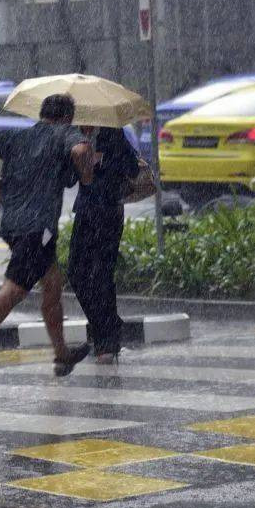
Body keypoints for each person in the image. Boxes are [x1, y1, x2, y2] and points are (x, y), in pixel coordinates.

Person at [0, 94, 95, 385]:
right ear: (67, 116)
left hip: (14, 224)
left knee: (52, 284)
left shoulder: (18, 136)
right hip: (38, 229)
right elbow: (80, 153)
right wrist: (87, 172)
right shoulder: (66, 133)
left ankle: (61, 353)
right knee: (14, 290)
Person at [68, 126, 142, 364]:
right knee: (76, 273)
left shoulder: (113, 134)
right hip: (86, 213)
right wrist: (80, 161)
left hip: (109, 211)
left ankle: (105, 340)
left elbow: (132, 168)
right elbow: (69, 178)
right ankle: (107, 326)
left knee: (102, 275)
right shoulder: (76, 138)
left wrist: (105, 160)